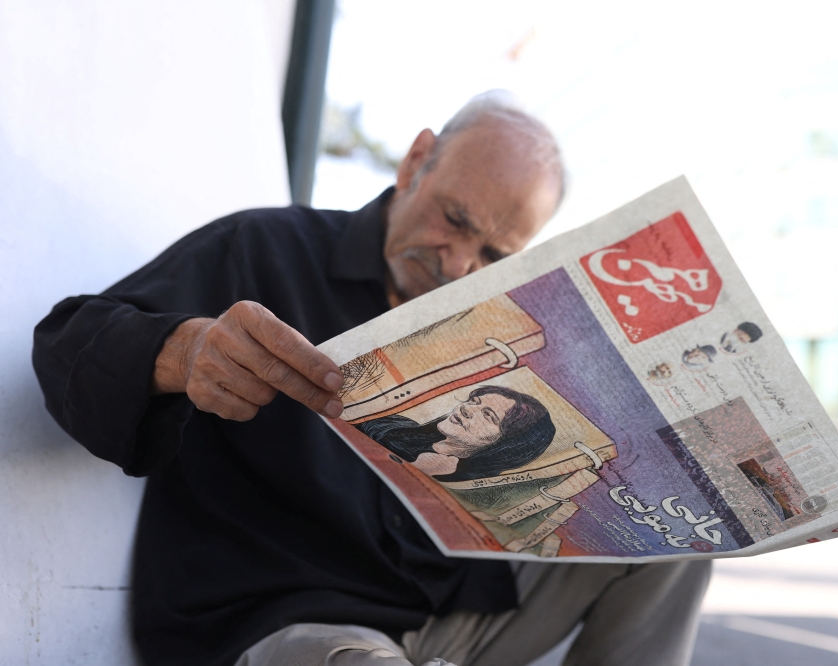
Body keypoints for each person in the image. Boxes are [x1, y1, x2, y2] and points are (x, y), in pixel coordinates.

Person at [32, 91, 711, 666]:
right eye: (454, 220)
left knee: (680, 540)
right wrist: (180, 353)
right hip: (291, 620)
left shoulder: (495, 320)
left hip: (455, 607)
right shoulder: (264, 251)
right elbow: (66, 340)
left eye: (495, 254)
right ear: (416, 162)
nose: (457, 263)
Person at [358, 386, 556, 482]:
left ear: (507, 444)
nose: (467, 409)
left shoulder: (470, 484)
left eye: (488, 416)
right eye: (474, 402)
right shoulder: (394, 425)